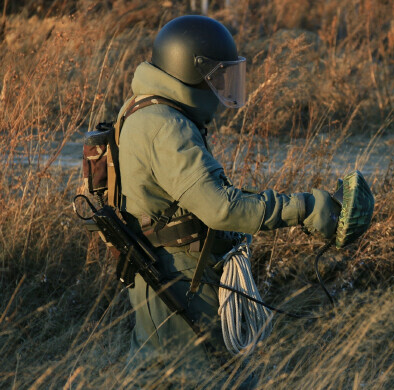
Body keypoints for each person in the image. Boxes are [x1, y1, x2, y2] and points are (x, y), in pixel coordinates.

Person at [117, 15, 341, 385]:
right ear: (188, 70)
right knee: (214, 377)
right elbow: (223, 208)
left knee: (158, 373)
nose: (221, 87)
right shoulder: (165, 127)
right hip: (181, 279)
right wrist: (305, 207)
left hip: (164, 272)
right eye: (216, 77)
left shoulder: (142, 109)